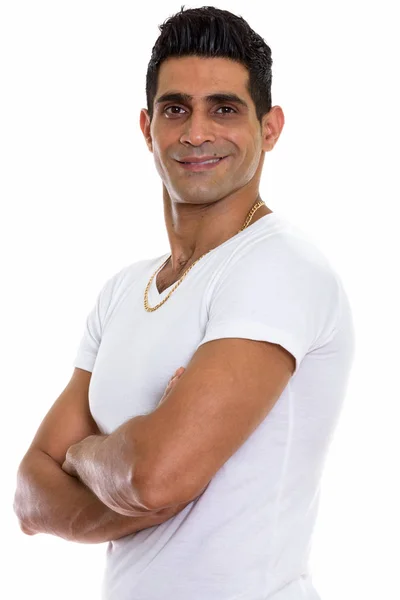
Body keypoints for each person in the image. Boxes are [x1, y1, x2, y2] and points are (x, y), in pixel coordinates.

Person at [13, 6, 355, 600]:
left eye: (224, 108)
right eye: (176, 109)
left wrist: (86, 452)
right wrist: (133, 473)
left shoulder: (278, 266)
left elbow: (157, 476)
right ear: (147, 127)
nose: (196, 133)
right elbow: (27, 492)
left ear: (269, 127)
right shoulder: (124, 291)